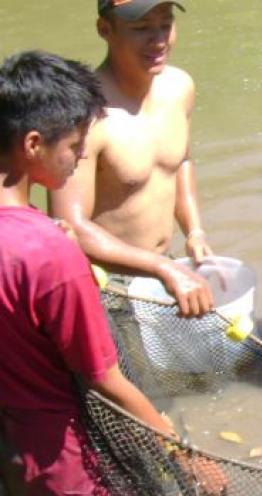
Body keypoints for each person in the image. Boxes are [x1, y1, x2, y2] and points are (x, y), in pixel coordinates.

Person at [0, 50, 225, 496]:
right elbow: (107, 380)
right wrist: (184, 455)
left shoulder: (39, 239)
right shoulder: (51, 254)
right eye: (76, 145)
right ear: (33, 144)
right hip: (62, 470)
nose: (83, 156)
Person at [49, 0, 213, 316]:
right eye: (140, 29)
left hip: (163, 266)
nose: (159, 40)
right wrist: (164, 269)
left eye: (165, 24)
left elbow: (181, 161)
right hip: (105, 283)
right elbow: (70, 227)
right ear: (105, 30)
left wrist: (194, 230)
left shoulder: (179, 87)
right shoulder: (83, 116)